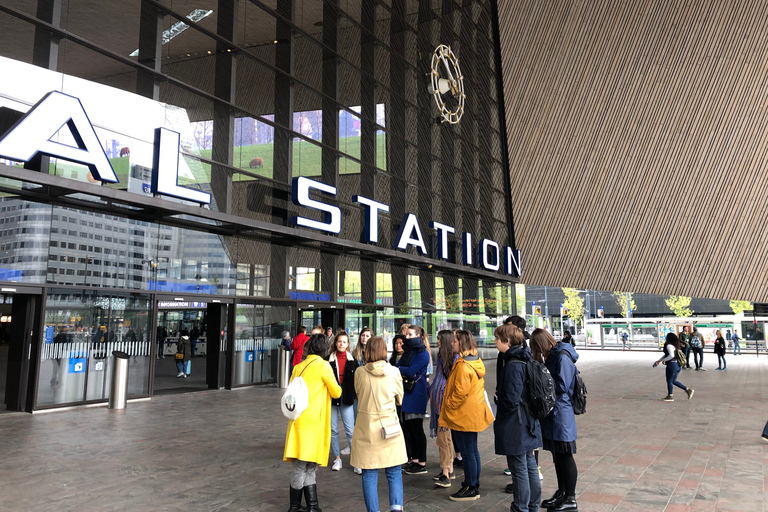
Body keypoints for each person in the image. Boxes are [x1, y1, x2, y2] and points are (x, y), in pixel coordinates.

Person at [284, 334, 341, 512]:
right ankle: (297, 507)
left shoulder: (298, 367)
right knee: (306, 466)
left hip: (298, 421)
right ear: (324, 348)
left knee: (305, 465)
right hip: (314, 423)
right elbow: (337, 392)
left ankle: (311, 506)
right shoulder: (323, 366)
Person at [350, 336, 407, 512]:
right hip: (389, 428)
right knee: (394, 472)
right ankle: (396, 509)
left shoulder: (359, 372)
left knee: (369, 473)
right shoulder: (394, 372)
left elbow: (358, 393)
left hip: (366, 429)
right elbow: (400, 399)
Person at [440, 329, 494, 502]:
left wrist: (448, 405)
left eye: (455, 341)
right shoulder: (474, 360)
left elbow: (460, 392)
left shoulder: (464, 366)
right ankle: (473, 484)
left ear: (461, 343)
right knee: (472, 450)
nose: (452, 343)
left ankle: (471, 486)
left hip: (463, 414)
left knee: (468, 451)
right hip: (471, 413)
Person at [530, 328, 579, 512]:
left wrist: (542, 384)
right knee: (557, 457)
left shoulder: (562, 356)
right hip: (554, 413)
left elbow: (562, 385)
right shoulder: (553, 355)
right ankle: (562, 492)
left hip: (562, 414)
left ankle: (570, 497)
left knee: (565, 456)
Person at [494, 324, 542, 512]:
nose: (495, 341)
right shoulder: (525, 358)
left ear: (507, 341)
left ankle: (521, 507)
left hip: (517, 422)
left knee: (519, 467)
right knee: (529, 464)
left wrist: (502, 416)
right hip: (529, 420)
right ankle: (532, 505)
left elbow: (511, 400)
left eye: (497, 338)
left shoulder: (513, 365)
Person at [397, 325, 430, 475]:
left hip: (416, 394)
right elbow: (398, 366)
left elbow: (409, 371)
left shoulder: (423, 353)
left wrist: (400, 370)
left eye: (410, 334)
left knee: (416, 428)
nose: (407, 337)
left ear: (418, 335)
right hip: (406, 393)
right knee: (409, 428)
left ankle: (421, 462)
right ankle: (414, 460)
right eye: (406, 334)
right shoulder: (408, 351)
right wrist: (400, 369)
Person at [328, 330, 360, 474]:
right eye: (339, 341)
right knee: (333, 429)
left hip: (347, 397)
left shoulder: (353, 361)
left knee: (350, 430)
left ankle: (356, 460)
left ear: (348, 344)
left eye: (344, 342)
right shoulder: (327, 360)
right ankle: (337, 458)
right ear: (335, 343)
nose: (341, 344)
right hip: (331, 397)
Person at [429, 329, 458, 488]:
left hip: (444, 404)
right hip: (439, 402)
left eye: (439, 339)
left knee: (443, 438)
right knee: (445, 438)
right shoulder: (443, 357)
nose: (437, 341)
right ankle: (449, 469)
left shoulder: (453, 359)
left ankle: (446, 472)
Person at [653, 332, 694, 402]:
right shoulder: (675, 346)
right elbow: (667, 354)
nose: (666, 338)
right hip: (677, 365)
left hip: (672, 365)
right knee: (673, 381)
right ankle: (688, 390)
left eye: (666, 337)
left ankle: (670, 396)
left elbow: (671, 355)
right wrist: (659, 361)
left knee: (669, 381)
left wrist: (664, 360)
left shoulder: (669, 346)